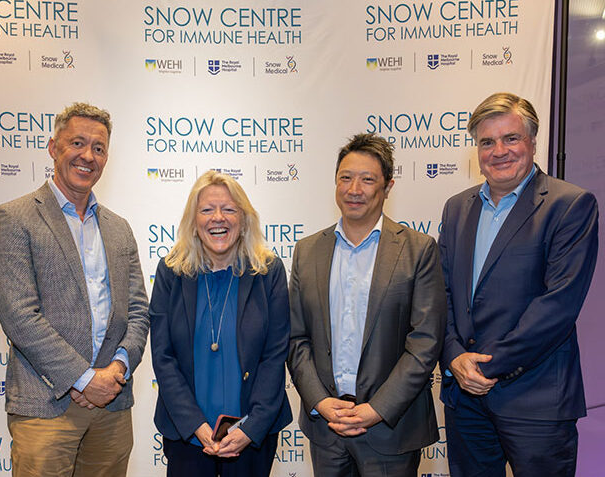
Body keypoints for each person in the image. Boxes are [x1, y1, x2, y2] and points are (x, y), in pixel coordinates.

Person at [439, 92, 598, 477]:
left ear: (532, 141)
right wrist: (453, 356)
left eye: (511, 138)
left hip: (536, 400)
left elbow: (557, 306)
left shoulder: (570, 205)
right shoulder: (457, 208)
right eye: (487, 142)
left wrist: (487, 368)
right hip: (464, 398)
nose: (499, 151)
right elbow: (440, 293)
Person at [0, 102, 150, 477]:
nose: (87, 156)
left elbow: (138, 311)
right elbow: (19, 316)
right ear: (53, 147)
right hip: (47, 405)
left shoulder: (119, 227)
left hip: (112, 403)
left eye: (98, 148)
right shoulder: (15, 218)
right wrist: (83, 378)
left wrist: (117, 370)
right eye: (77, 143)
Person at [287, 133, 446, 476]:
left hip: (390, 428)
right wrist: (321, 401)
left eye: (367, 179)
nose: (354, 189)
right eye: (345, 177)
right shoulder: (307, 251)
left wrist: (377, 409)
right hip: (326, 429)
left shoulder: (419, 250)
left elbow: (425, 342)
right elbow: (296, 340)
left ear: (388, 187)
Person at [150, 170, 292, 477]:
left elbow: (275, 355)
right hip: (186, 433)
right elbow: (163, 357)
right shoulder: (171, 272)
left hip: (252, 434)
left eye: (229, 209)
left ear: (243, 219)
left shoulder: (268, 271)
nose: (218, 218)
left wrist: (250, 428)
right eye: (207, 210)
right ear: (194, 221)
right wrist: (195, 426)